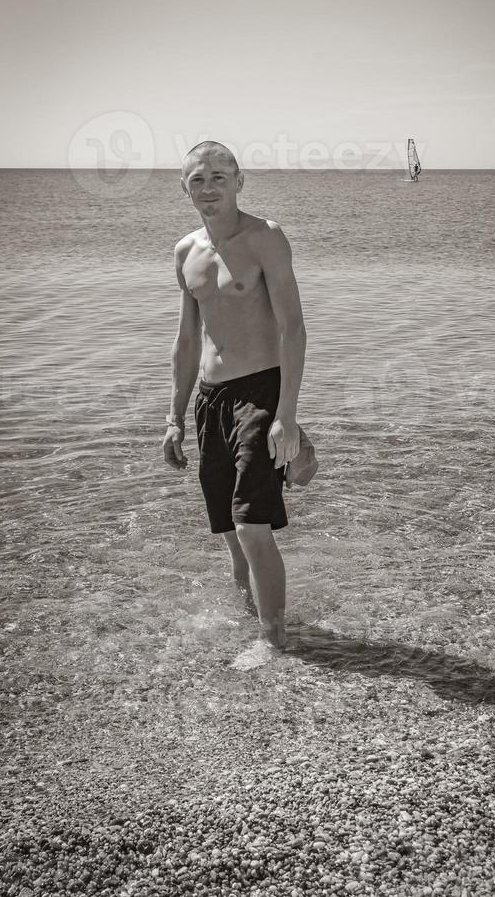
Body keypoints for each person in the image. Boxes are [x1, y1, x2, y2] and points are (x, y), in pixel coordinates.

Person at [163, 140, 307, 668]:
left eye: (219, 177)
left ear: (239, 181)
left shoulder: (265, 237)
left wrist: (286, 416)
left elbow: (293, 327)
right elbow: (185, 341)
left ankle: (275, 643)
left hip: (261, 394)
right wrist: (174, 418)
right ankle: (252, 617)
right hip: (211, 399)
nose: (209, 188)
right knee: (227, 529)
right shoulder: (185, 252)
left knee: (251, 525)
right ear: (184, 187)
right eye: (198, 179)